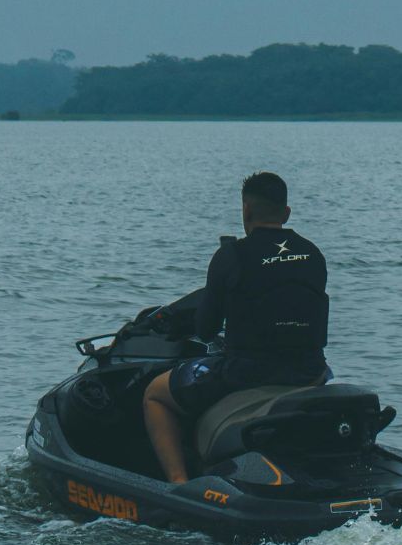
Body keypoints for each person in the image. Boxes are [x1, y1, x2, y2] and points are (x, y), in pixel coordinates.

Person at [141, 171, 330, 484]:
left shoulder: (232, 255)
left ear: (246, 210)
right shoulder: (313, 253)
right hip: (310, 371)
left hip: (248, 374)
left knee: (155, 395)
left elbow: (205, 328)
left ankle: (178, 485)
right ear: (286, 213)